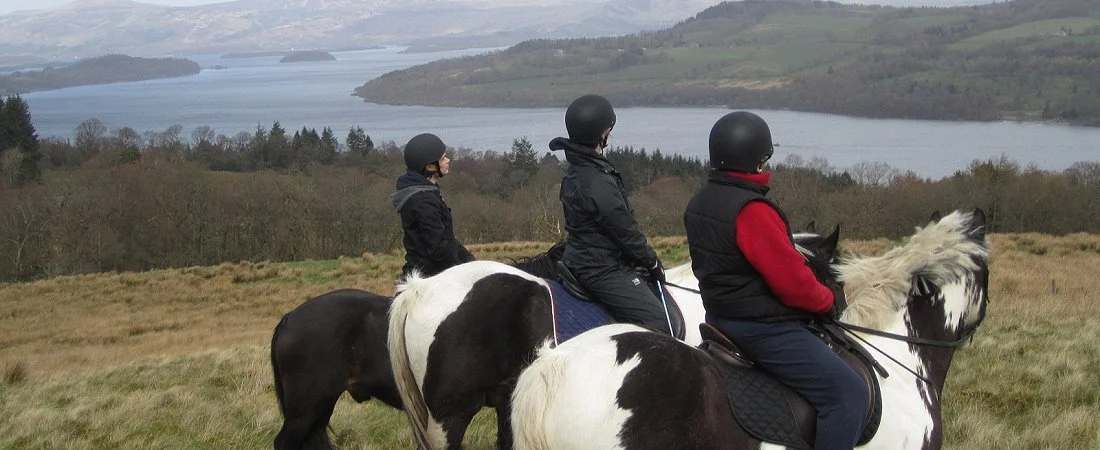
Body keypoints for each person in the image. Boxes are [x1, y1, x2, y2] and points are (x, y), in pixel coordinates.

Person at [683, 111, 867, 450]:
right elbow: (793, 284)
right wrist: (826, 300)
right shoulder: (752, 211)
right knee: (849, 394)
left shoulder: (700, 201)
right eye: (764, 158)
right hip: (763, 329)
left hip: (718, 319)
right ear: (754, 160)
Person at [549, 94, 671, 335]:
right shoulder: (597, 180)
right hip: (600, 268)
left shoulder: (578, 169)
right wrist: (651, 261)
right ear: (602, 134)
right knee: (660, 324)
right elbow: (624, 230)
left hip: (581, 258)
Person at [392, 133, 475, 278]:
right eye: (443, 158)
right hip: (428, 278)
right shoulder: (423, 201)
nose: (448, 160)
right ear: (430, 167)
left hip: (436, 272)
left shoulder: (427, 192)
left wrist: (471, 262)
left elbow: (447, 239)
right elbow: (438, 250)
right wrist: (466, 274)